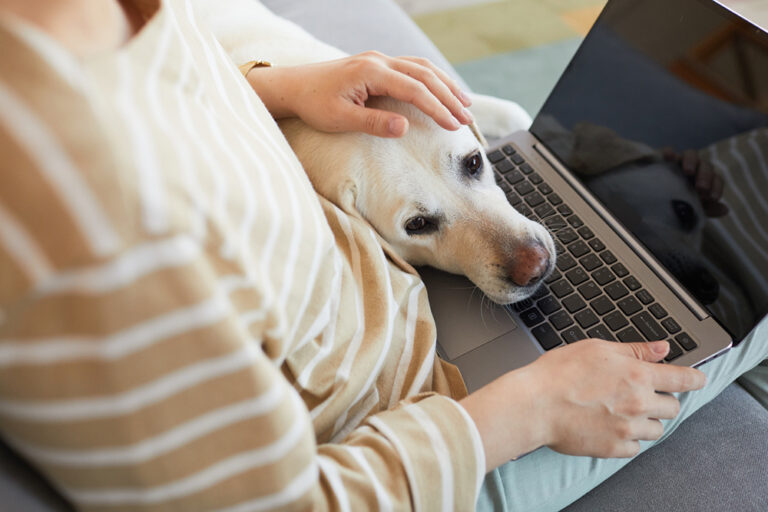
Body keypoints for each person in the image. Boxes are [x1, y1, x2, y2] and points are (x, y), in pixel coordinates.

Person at [0, 1, 765, 511]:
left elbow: (172, 114)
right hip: (415, 424)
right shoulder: (79, 229)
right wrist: (533, 407)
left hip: (373, 290)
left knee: (617, 174)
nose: (525, 256)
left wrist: (284, 87)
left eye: (475, 163)